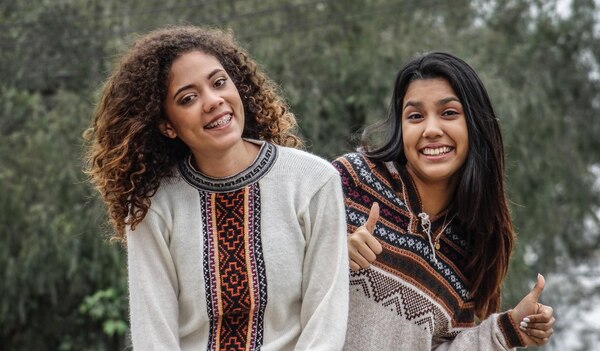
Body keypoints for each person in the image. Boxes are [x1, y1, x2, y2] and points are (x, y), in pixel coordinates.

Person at [83, 25, 349, 350]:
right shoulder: (152, 207)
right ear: (167, 125)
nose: (213, 101)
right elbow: (154, 336)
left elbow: (326, 322)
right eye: (188, 98)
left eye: (219, 82)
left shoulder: (314, 182)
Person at [332, 52, 555, 350]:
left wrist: (509, 330)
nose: (432, 129)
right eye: (415, 116)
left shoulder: (471, 247)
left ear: (475, 124)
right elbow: (267, 265)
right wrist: (334, 253)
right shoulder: (352, 181)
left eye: (449, 113)